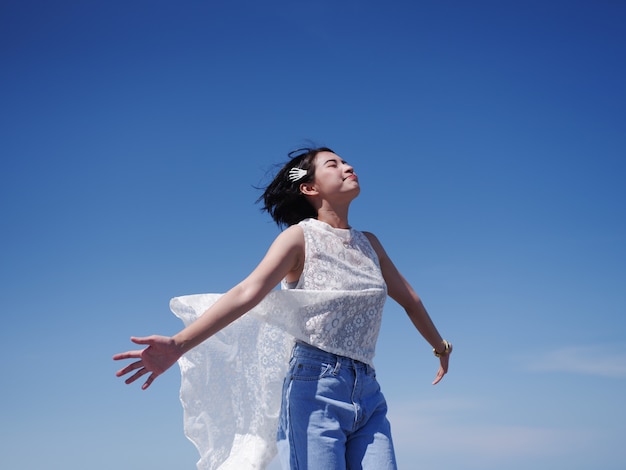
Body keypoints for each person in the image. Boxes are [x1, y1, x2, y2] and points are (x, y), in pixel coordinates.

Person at [114, 147, 452, 470]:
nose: (348, 167)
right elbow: (249, 291)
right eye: (332, 165)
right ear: (309, 187)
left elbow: (410, 299)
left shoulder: (370, 243)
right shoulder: (298, 238)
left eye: (346, 161)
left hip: (368, 392)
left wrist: (440, 347)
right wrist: (179, 344)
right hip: (315, 388)